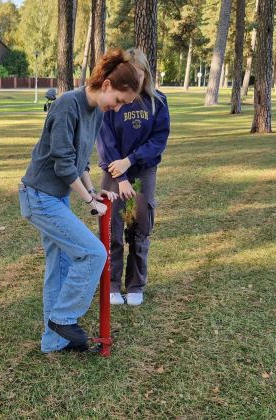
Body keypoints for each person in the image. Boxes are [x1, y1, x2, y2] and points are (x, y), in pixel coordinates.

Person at [18, 48, 141, 353]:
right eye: (119, 101)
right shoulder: (66, 106)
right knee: (93, 254)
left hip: (57, 197)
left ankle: (53, 341)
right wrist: (89, 201)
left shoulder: (96, 112)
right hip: (38, 197)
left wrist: (92, 191)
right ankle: (63, 318)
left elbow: (80, 160)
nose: (116, 108)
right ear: (108, 85)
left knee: (59, 266)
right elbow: (62, 162)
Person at [96, 48, 171, 307]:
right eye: (131, 75)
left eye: (140, 75)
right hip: (114, 173)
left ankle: (136, 284)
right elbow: (105, 141)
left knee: (140, 228)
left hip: (143, 171)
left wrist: (132, 160)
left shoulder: (158, 101)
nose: (135, 82)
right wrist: (122, 173)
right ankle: (112, 283)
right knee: (112, 229)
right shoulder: (112, 100)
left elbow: (159, 139)